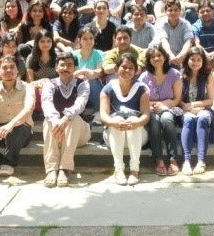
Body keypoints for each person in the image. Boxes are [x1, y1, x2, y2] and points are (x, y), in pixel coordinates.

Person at [41, 52, 91, 187]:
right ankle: (52, 169)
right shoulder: (49, 84)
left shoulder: (83, 84)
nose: (65, 68)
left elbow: (80, 104)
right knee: (48, 120)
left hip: (80, 133)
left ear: (75, 67)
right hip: (58, 133)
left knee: (73, 119)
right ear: (56, 68)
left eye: (69, 65)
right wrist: (57, 121)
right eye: (62, 65)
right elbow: (47, 103)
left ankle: (64, 168)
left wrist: (66, 118)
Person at [100, 53, 150, 185]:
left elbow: (146, 115)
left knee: (133, 118)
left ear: (136, 71)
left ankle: (135, 170)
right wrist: (114, 122)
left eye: (131, 68)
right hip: (114, 135)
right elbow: (104, 115)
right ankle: (119, 169)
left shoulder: (142, 89)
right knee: (116, 120)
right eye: (123, 67)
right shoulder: (108, 88)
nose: (127, 70)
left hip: (137, 135)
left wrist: (136, 122)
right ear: (116, 69)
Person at [137, 45, 182, 176]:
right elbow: (141, 98)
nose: (156, 58)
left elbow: (177, 98)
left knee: (167, 119)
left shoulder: (174, 74)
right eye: (152, 57)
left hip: (170, 107)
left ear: (165, 57)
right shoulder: (144, 76)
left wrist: (166, 105)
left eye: (159, 55)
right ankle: (159, 159)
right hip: (150, 108)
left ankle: (173, 159)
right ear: (149, 60)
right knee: (155, 122)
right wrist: (155, 105)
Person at [179, 47, 214, 175]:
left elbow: (211, 100)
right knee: (188, 119)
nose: (195, 62)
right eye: (192, 59)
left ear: (203, 61)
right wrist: (187, 107)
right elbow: (176, 98)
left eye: (199, 60)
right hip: (184, 109)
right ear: (187, 60)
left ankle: (201, 160)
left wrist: (193, 105)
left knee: (202, 118)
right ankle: (186, 161)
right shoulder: (180, 75)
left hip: (203, 108)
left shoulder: (208, 75)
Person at [72, 27, 105, 121]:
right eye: (85, 38)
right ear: (79, 40)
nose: (88, 41)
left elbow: (99, 72)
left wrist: (83, 72)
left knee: (92, 81)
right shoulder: (73, 55)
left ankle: (99, 111)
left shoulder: (99, 54)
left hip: (93, 90)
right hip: (78, 89)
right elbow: (70, 74)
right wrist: (84, 75)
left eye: (91, 38)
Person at [154, 0, 194, 66]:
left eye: (176, 10)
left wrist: (181, 55)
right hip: (166, 57)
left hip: (183, 57)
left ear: (180, 11)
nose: (173, 13)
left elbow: (189, 41)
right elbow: (164, 41)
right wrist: (170, 55)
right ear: (166, 12)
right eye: (170, 10)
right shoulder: (161, 24)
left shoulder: (186, 24)